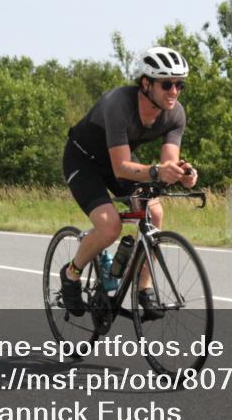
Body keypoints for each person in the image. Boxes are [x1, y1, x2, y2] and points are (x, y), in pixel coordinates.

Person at [62, 46, 198, 319]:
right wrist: (157, 171)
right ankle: (71, 274)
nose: (174, 91)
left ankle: (143, 289)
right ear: (146, 84)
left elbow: (169, 162)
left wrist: (183, 174)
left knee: (155, 213)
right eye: (167, 84)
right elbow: (121, 168)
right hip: (83, 160)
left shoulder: (175, 114)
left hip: (119, 159)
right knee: (110, 226)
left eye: (179, 84)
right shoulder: (119, 104)